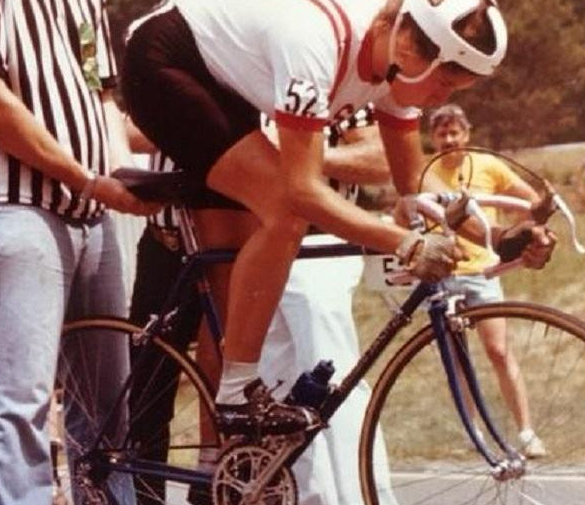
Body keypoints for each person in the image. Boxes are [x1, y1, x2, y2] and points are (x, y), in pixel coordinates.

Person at [122, 0, 555, 434]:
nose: (441, 99)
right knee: (287, 214)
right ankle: (237, 392)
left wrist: (497, 238)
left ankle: (217, 471)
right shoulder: (317, 41)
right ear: (408, 47)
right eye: (443, 83)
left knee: (239, 278)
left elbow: (417, 190)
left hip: (225, 78)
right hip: (164, 61)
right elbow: (304, 190)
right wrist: (403, 242)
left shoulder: (395, 65)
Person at [0, 1, 158, 503]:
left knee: (106, 413)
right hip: (14, 202)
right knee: (20, 399)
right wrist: (89, 180)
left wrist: (131, 180)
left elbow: (102, 98)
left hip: (90, 211)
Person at [128, 106, 397, 505]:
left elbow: (379, 159)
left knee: (288, 380)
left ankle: (217, 482)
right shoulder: (218, 66)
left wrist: (297, 151)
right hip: (173, 237)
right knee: (148, 391)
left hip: (286, 245)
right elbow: (130, 130)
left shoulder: (325, 77)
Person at [426, 103, 547, 458]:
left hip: (482, 272)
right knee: (457, 358)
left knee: (498, 350)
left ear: (467, 134)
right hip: (444, 274)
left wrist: (532, 227)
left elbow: (530, 199)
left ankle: (526, 432)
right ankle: (473, 431)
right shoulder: (426, 171)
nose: (449, 140)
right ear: (433, 138)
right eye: (442, 134)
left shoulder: (488, 165)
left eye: (455, 133)